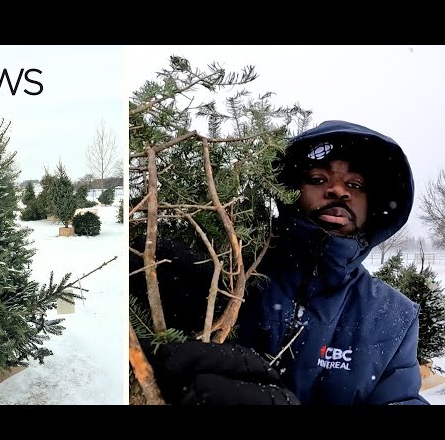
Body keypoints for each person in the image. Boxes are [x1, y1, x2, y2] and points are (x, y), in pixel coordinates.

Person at [130, 120, 429, 405]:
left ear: (373, 205)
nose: (338, 190)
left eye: (355, 184)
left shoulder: (392, 318)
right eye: (317, 179)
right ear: (290, 192)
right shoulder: (232, 274)